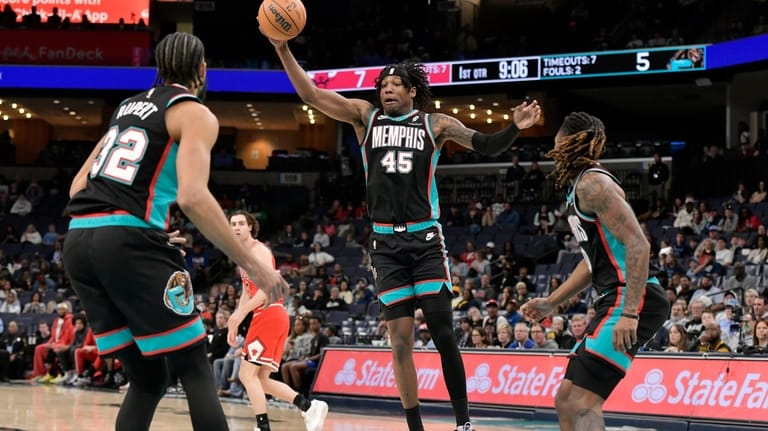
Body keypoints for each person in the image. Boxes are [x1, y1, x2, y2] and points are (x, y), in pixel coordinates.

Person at [264, 28, 541, 431]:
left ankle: (463, 422)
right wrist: (283, 48)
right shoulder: (364, 116)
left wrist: (514, 127)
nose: (388, 90)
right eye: (384, 85)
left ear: (412, 92)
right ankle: (415, 428)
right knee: (399, 342)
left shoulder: (436, 124)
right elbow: (312, 95)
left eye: (396, 85)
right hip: (385, 243)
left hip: (426, 238)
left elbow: (487, 145)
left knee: (444, 333)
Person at [62, 32, 285, 431]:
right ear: (202, 70)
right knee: (194, 366)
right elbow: (193, 196)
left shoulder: (126, 108)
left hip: (79, 240)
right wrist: (255, 264)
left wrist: (142, 228)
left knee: (148, 379)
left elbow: (77, 187)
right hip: (127, 242)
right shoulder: (193, 112)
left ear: (159, 69)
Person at [520, 112, 669, 431]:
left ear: (570, 144)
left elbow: (639, 245)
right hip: (614, 296)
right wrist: (551, 301)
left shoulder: (594, 184)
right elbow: (592, 262)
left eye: (558, 142)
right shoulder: (579, 187)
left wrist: (630, 313)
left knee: (583, 404)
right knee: (565, 399)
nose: (554, 150)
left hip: (630, 298)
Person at [226, 210, 328, 431]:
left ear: (251, 227)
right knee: (261, 378)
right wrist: (235, 319)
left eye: (241, 223)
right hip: (267, 316)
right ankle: (309, 407)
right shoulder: (241, 256)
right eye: (232, 224)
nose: (236, 228)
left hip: (270, 313)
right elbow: (246, 292)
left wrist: (240, 314)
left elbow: (269, 288)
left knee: (246, 373)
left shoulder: (259, 251)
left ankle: (263, 428)